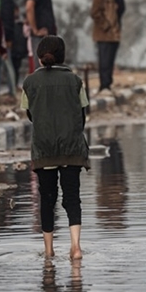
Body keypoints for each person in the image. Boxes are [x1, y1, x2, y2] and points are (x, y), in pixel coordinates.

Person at [21, 36, 90, 258]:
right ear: (63, 56)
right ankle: (76, 247)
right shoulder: (76, 81)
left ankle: (49, 251)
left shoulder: (29, 83)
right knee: (72, 197)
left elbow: (30, 114)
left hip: (44, 150)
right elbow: (82, 115)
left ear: (40, 57)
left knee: (47, 199)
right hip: (72, 149)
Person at [90, 0, 121, 96]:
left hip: (113, 33)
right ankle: (104, 85)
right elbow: (95, 11)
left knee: (110, 60)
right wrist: (105, 25)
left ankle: (108, 84)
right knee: (104, 60)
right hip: (104, 33)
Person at [26, 0, 59, 68]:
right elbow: (29, 7)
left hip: (48, 33)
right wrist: (35, 30)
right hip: (40, 35)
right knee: (40, 67)